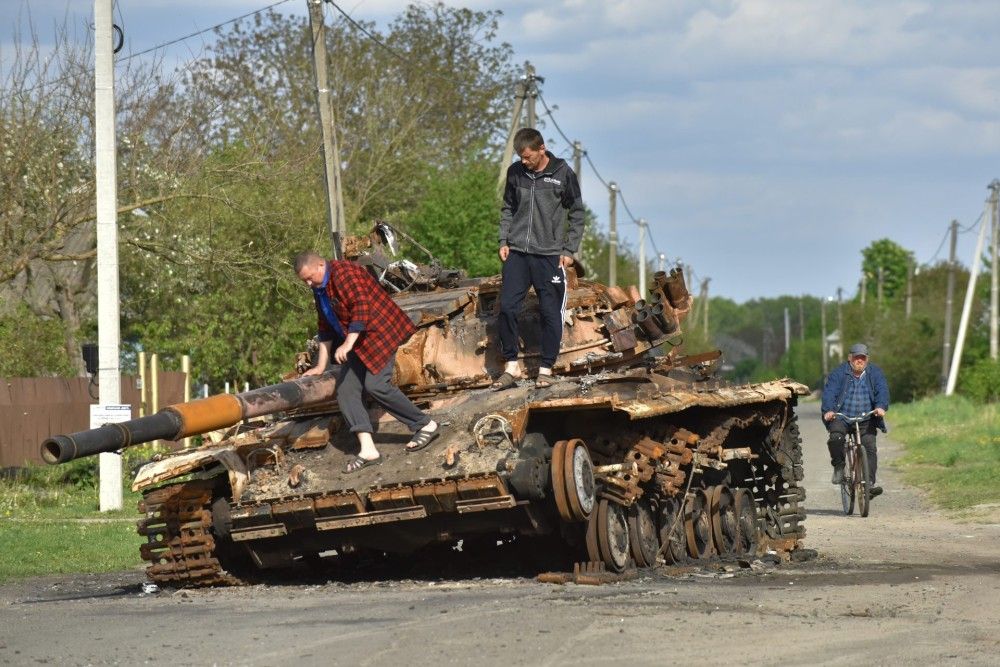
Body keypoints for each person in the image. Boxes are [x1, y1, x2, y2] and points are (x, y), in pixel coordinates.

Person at [295, 251, 439, 473]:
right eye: (303, 280)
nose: (307, 283)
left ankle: (425, 424)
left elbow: (361, 307)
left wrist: (348, 344)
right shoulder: (319, 289)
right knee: (346, 391)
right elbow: (324, 327)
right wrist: (320, 367)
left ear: (320, 266)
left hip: (378, 334)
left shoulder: (344, 273)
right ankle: (368, 450)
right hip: (357, 342)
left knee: (376, 385)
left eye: (308, 277)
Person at [493, 127, 585, 390]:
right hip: (518, 252)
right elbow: (508, 208)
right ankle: (511, 366)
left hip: (550, 255)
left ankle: (546, 368)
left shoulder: (562, 174)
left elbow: (577, 213)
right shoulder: (516, 173)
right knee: (508, 307)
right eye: (520, 157)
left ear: (541, 149)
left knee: (550, 312)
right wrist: (504, 240)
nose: (524, 161)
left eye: (527, 156)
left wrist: (568, 250)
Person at [821, 343, 889, 498]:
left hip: (866, 418)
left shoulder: (875, 373)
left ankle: (869, 484)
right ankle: (839, 467)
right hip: (842, 417)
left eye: (862, 358)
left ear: (867, 359)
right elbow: (829, 393)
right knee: (836, 437)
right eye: (856, 357)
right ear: (849, 358)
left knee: (870, 446)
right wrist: (829, 411)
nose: (859, 360)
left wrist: (880, 406)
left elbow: (882, 391)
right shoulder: (838, 373)